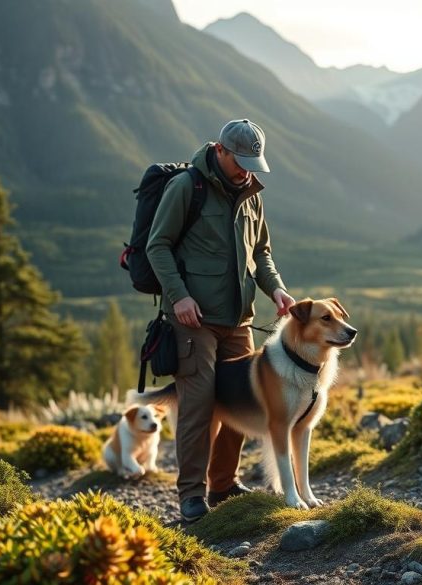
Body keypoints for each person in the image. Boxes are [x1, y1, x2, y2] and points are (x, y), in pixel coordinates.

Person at [146, 119, 294, 522]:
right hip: (193, 321)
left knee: (243, 401)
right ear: (220, 150)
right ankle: (192, 495)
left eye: (253, 163)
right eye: (240, 161)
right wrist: (179, 297)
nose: (246, 170)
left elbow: (261, 252)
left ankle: (223, 484)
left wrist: (276, 289)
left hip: (239, 321)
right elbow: (156, 245)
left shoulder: (251, 195)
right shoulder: (186, 188)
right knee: (198, 406)